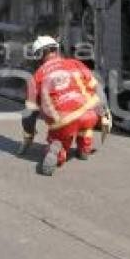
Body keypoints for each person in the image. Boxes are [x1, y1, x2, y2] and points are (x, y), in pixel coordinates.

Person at [17, 36, 111, 176]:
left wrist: (29, 133)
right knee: (85, 125)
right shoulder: (75, 63)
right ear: (57, 49)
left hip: (63, 120)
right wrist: (104, 113)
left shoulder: (37, 76)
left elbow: (30, 113)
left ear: (38, 56)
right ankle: (84, 150)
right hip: (89, 114)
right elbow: (98, 88)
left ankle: (56, 150)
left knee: (58, 136)